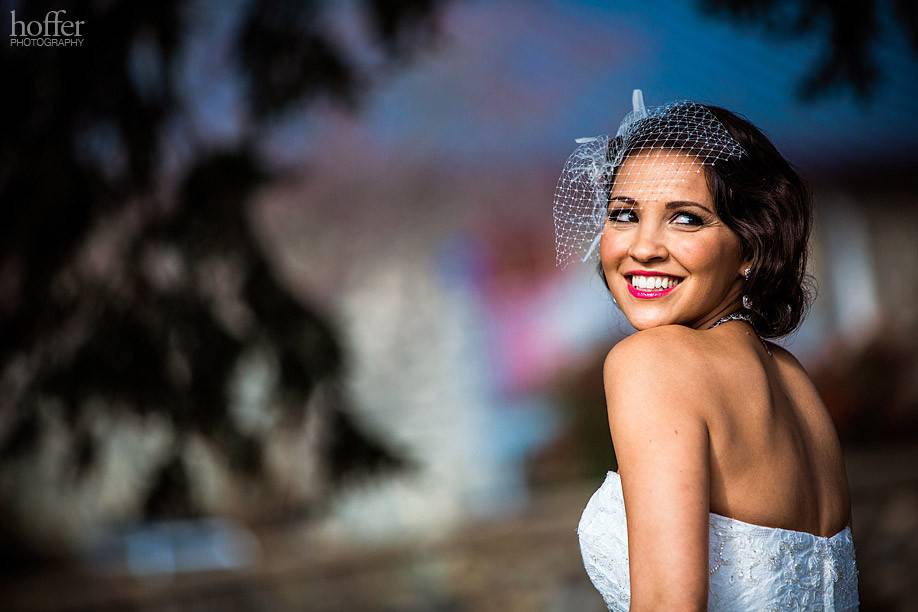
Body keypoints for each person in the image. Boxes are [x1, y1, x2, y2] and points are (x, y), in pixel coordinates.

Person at [555, 91, 859, 611]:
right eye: (624, 214)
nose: (643, 247)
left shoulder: (652, 362)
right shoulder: (793, 380)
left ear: (750, 245)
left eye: (686, 218)